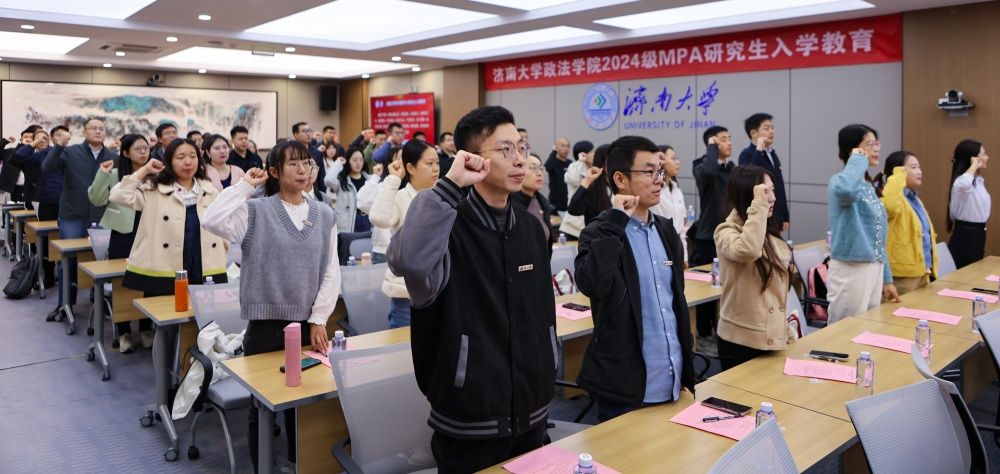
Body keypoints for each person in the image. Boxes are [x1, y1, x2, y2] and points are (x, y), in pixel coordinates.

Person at [388, 106, 555, 472]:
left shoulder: (530, 228)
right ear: (474, 158)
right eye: (505, 149)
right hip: (469, 422)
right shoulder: (446, 225)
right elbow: (406, 261)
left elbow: (541, 311)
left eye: (522, 148)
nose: (519, 159)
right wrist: (449, 186)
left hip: (532, 412)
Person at [203, 140, 339, 473]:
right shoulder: (256, 211)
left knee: (302, 402)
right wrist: (245, 186)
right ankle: (263, 467)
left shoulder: (324, 214)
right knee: (261, 406)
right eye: (293, 163)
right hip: (266, 327)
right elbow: (211, 219)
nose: (302, 169)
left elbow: (331, 271)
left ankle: (296, 462)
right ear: (275, 172)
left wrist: (319, 318)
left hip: (308, 325)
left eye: (306, 162)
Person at [574, 135, 694, 421]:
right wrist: (616, 221)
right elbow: (592, 284)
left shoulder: (665, 230)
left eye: (660, 171)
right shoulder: (599, 232)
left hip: (673, 379)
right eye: (649, 172)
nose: (658, 180)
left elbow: (675, 300)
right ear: (620, 178)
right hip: (625, 387)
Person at [109, 138, 228, 295]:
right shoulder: (154, 189)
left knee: (202, 307)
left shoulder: (210, 190)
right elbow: (117, 195)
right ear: (169, 161)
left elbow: (222, 228)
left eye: (193, 156)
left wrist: (222, 249)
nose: (188, 162)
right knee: (165, 306)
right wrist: (144, 170)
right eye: (180, 157)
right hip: (164, 266)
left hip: (203, 264)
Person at [714, 165, 793, 370]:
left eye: (772, 190)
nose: (773, 198)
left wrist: (785, 329)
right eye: (765, 192)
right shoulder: (725, 231)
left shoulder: (768, 233)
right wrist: (759, 205)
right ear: (748, 196)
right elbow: (748, 250)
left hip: (771, 337)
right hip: (741, 342)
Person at [42, 118, 117, 320]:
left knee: (101, 261)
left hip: (102, 216)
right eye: (93, 128)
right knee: (69, 261)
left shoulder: (112, 156)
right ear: (84, 132)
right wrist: (59, 145)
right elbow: (47, 168)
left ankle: (100, 302)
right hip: (72, 214)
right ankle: (65, 304)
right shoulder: (70, 152)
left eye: (101, 128)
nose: (98, 131)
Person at [827, 124, 899, 324]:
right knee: (845, 331)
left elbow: (878, 238)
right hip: (851, 269)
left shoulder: (868, 187)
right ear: (854, 151)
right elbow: (847, 191)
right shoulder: (839, 182)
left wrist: (886, 278)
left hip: (873, 269)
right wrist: (858, 159)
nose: (876, 149)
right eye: (870, 144)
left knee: (868, 328)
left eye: (877, 143)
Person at [88, 134, 154, 352]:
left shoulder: (155, 175)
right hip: (123, 234)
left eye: (146, 148)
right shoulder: (115, 174)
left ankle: (145, 328)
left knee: (148, 282)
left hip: (150, 234)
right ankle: (124, 331)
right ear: (125, 152)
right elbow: (96, 199)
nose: (143, 152)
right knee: (123, 283)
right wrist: (102, 174)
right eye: (137, 149)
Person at [370, 139, 439, 328]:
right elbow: (379, 218)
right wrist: (393, 180)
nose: (435, 168)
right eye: (429, 163)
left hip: (439, 288)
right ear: (411, 168)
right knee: (405, 343)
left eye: (437, 163)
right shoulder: (400, 197)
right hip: (406, 293)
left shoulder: (442, 195)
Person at [690, 125, 734, 357]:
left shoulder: (731, 169)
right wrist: (711, 148)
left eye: (729, 138)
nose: (730, 143)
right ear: (713, 143)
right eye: (723, 139)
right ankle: (703, 334)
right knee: (707, 289)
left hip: (730, 235)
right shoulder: (701, 166)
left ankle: (721, 331)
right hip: (708, 236)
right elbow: (709, 173)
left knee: (727, 286)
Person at [12, 126, 65, 287]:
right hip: (43, 201)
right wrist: (33, 143)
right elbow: (16, 159)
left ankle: (65, 274)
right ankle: (48, 275)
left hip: (64, 202)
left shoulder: (63, 154)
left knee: (65, 239)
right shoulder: (36, 156)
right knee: (46, 240)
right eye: (39, 138)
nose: (43, 141)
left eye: (45, 138)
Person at [881, 150, 938, 294]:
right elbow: (889, 207)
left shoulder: (914, 198)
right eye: (913, 167)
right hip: (903, 278)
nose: (919, 171)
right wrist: (898, 175)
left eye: (919, 167)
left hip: (923, 273)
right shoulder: (892, 197)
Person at [738, 113, 790, 232]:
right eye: (766, 128)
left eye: (772, 128)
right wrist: (759, 150)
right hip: (759, 216)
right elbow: (749, 178)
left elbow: (779, 186)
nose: (771, 131)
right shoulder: (746, 154)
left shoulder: (772, 154)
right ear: (753, 133)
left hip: (776, 214)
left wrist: (785, 215)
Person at [946, 139, 990, 269]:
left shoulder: (978, 180)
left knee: (975, 270)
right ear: (973, 159)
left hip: (978, 233)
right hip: (966, 235)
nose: (987, 157)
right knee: (965, 273)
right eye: (983, 154)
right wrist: (973, 166)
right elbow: (964, 184)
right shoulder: (962, 181)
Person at [650, 145, 689, 265]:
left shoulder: (676, 189)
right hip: (659, 244)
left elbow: (681, 227)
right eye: (673, 158)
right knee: (665, 269)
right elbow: (654, 178)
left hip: (677, 246)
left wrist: (684, 256)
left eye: (677, 158)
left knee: (678, 274)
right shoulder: (654, 187)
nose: (677, 162)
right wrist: (658, 167)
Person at [511, 152, 555, 247]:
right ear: (519, 171)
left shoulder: (543, 202)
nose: (539, 173)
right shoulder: (509, 204)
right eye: (533, 168)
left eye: (541, 168)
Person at [326, 146, 372, 233]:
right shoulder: (342, 181)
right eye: (354, 160)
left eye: (361, 160)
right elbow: (328, 180)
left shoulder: (369, 180)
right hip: (348, 222)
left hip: (367, 220)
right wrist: (338, 164)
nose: (358, 163)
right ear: (348, 161)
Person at [567, 144, 612, 226]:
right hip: (576, 224)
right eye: (591, 152)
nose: (593, 154)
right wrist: (587, 179)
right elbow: (573, 209)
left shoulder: (619, 184)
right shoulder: (577, 167)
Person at [560, 140, 594, 240]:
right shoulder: (574, 166)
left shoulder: (593, 169)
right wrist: (580, 161)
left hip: (589, 219)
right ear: (583, 154)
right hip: (574, 222)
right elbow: (573, 179)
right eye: (592, 152)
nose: (594, 154)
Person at [292, 122, 327, 194]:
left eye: (309, 130)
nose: (308, 133)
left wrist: (321, 195)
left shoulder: (317, 153)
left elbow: (321, 177)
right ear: (295, 134)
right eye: (304, 131)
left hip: (313, 192)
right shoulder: (290, 152)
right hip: (294, 192)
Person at [544, 137, 572, 213]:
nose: (566, 148)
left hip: (568, 204)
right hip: (555, 204)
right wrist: (553, 152)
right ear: (556, 148)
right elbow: (547, 167)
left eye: (568, 146)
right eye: (563, 146)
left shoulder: (571, 164)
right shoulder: (553, 161)